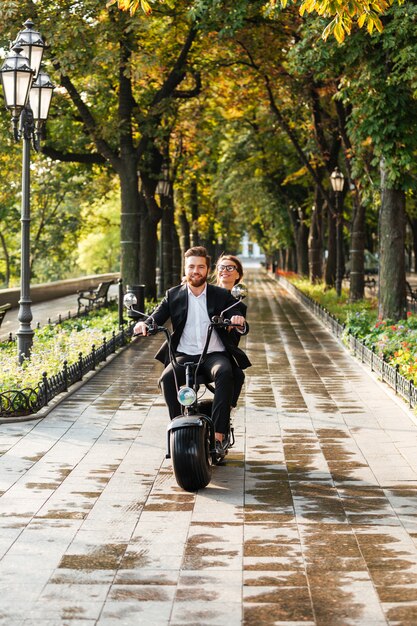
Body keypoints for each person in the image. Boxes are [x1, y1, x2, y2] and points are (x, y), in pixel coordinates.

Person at [134, 246, 251, 457]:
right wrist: (144, 324)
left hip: (213, 354)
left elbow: (236, 313)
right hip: (184, 355)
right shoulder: (173, 295)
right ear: (185, 268)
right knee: (167, 378)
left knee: (225, 372)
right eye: (191, 267)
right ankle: (178, 430)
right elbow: (156, 316)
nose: (195, 271)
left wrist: (237, 320)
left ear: (207, 270)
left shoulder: (221, 295)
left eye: (200, 267)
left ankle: (218, 435)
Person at [215, 254, 246, 408]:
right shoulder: (206, 293)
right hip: (197, 346)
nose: (225, 270)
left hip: (221, 351)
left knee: (238, 375)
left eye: (230, 267)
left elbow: (236, 336)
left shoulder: (238, 304)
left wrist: (238, 325)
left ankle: (225, 410)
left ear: (238, 274)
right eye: (221, 267)